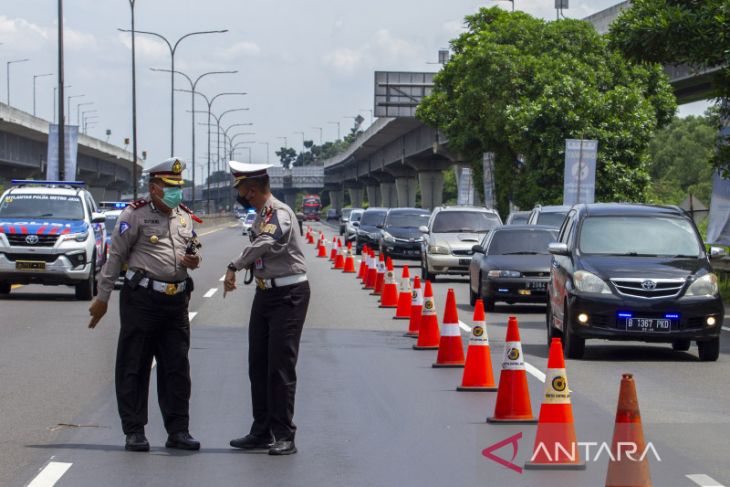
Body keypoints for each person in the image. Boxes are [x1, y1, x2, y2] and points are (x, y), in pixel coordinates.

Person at [88, 157, 203, 452]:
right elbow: (115, 257)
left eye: (179, 186)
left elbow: (194, 251)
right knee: (134, 364)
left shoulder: (184, 216)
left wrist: (194, 261)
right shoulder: (134, 215)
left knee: (177, 367)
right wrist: (102, 298)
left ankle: (178, 430)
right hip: (143, 300)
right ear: (154, 188)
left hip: (176, 300)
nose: (176, 192)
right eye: (170, 186)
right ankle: (134, 430)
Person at [224, 161, 310, 456]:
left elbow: (264, 242)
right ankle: (261, 431)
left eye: (242, 189)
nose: (241, 195)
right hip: (265, 293)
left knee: (280, 367)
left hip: (288, 295)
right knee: (257, 365)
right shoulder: (261, 214)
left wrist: (235, 265)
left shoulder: (279, 213)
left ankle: (284, 434)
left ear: (252, 189)